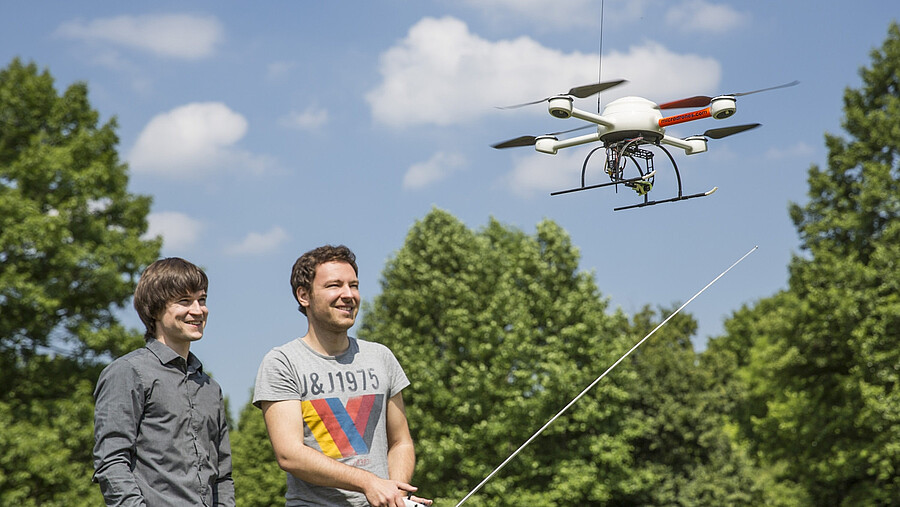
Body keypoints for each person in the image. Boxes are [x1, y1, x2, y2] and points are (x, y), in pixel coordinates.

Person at [254, 245, 431, 507]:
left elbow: (401, 442)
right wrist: (368, 482)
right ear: (304, 295)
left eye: (354, 285)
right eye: (334, 285)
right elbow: (289, 454)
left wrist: (397, 495)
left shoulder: (381, 356)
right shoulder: (283, 363)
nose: (348, 295)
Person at [92, 257, 234, 506]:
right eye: (184, 301)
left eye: (202, 300)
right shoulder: (127, 372)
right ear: (155, 310)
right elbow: (111, 461)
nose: (198, 310)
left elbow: (222, 475)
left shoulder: (211, 388)